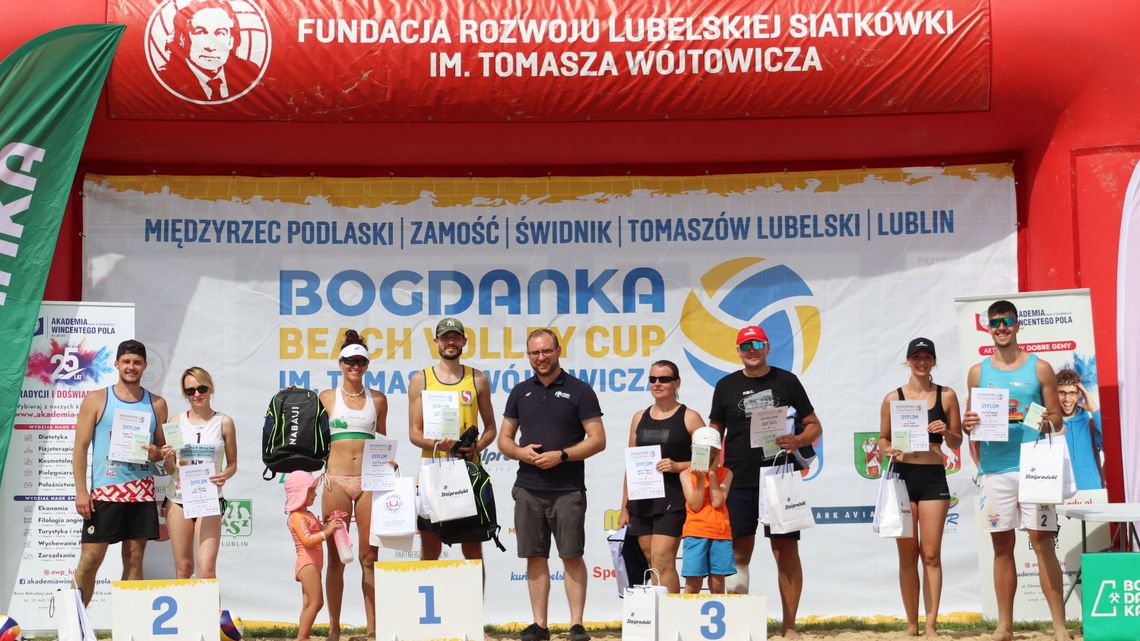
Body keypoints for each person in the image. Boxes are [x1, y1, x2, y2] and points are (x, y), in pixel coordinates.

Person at [963, 300, 1070, 641]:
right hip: (995, 469)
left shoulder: (1040, 369)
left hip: (1034, 466)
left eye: (1007, 321)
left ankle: (1058, 626)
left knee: (1042, 543)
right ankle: (1004, 626)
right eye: (995, 323)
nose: (1001, 327)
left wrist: (1042, 418)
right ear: (988, 328)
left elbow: (1057, 417)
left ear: (1018, 324)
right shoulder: (978, 372)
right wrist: (969, 423)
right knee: (1001, 546)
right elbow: (970, 422)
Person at [709, 325, 821, 638]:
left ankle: (789, 626)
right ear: (738, 350)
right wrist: (708, 470)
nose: (752, 350)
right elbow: (714, 432)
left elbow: (814, 425)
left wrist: (797, 440)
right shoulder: (726, 385)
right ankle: (737, 623)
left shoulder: (787, 381)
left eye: (757, 343)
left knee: (785, 553)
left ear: (768, 346)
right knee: (738, 554)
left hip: (779, 477)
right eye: (745, 345)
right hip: (739, 479)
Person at [498, 328, 606, 641]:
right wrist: (519, 452)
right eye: (534, 353)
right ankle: (540, 625)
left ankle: (576, 625)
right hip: (528, 487)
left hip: (568, 489)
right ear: (528, 355)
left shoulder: (580, 390)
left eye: (546, 351)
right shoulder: (520, 391)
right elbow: (505, 439)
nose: (541, 358)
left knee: (571, 555)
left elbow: (598, 440)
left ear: (558, 350)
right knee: (535, 556)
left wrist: (563, 455)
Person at [71, 340, 168, 605]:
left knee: (135, 560)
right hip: (105, 493)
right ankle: (74, 628)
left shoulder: (157, 404)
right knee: (90, 561)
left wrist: (155, 453)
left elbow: (163, 449)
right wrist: (81, 492)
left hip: (141, 493)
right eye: (126, 361)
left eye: (137, 362)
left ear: (144, 366)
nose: (131, 367)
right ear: (116, 364)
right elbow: (79, 448)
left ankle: (129, 630)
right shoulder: (96, 399)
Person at [877, 338, 962, 638]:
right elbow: (883, 438)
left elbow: (957, 441)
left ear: (934, 361)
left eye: (927, 357)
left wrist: (947, 431)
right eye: (916, 357)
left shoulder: (947, 395)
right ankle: (911, 624)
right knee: (907, 555)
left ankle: (931, 624)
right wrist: (886, 450)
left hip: (933, 477)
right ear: (908, 361)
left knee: (931, 555)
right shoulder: (893, 398)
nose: (922, 362)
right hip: (902, 476)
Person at [319, 330, 389, 641]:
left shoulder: (379, 399)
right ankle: (334, 628)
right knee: (336, 558)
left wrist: (389, 460)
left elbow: (383, 439)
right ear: (341, 363)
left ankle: (373, 629)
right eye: (350, 361)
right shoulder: (326, 397)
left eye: (360, 361)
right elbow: (313, 439)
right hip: (336, 482)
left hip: (369, 483)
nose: (355, 366)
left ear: (367, 364)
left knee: (369, 558)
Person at [408, 318, 497, 561]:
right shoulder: (421, 379)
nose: (451, 342)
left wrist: (476, 447)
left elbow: (491, 428)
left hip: (467, 469)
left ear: (464, 342)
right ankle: (431, 600)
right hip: (432, 469)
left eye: (456, 337)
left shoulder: (477, 378)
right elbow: (414, 434)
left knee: (472, 550)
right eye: (445, 337)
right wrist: (436, 444)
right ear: (436, 341)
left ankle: (474, 601)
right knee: (430, 549)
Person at [618, 360, 703, 593]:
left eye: (664, 379)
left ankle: (671, 618)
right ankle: (659, 616)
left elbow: (709, 460)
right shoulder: (639, 417)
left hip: (674, 498)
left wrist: (678, 466)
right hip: (642, 499)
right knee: (650, 561)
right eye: (653, 379)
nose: (657, 383)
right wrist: (624, 506)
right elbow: (631, 464)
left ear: (676, 382)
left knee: (663, 559)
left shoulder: (690, 417)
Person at [159, 366, 237, 579]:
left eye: (201, 388)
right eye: (190, 391)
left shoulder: (224, 422)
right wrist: (167, 459)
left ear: (210, 388)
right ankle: (186, 614)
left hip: (208, 499)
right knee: (183, 569)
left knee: (206, 569)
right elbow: (171, 469)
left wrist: (225, 475)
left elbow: (232, 464)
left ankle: (210, 613)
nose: (196, 395)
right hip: (178, 499)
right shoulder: (175, 422)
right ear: (185, 394)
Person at [158, 0, 261, 101]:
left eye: (220, 33)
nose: (210, 47)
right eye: (200, 32)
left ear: (231, 41)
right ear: (182, 38)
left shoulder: (249, 74)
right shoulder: (164, 78)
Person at [285, 471, 344, 641]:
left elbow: (320, 530)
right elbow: (308, 541)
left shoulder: (307, 514)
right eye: (310, 491)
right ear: (299, 493)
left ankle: (303, 636)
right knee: (317, 602)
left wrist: (332, 522)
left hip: (313, 564)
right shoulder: (296, 516)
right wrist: (328, 531)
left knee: (309, 604)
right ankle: (302, 637)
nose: (315, 494)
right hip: (307, 563)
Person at [679, 426, 735, 594]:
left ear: (718, 451)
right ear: (693, 449)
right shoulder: (685, 474)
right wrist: (701, 479)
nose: (708, 454)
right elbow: (695, 505)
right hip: (695, 532)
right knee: (693, 580)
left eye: (713, 451)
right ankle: (686, 617)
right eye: (703, 450)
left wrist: (711, 473)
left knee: (718, 581)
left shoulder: (726, 473)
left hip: (720, 533)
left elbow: (718, 502)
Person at [1056, 368, 1104, 490]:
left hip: (1092, 494)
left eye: (1072, 393)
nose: (1067, 399)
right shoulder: (1047, 424)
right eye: (1062, 392)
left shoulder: (1091, 423)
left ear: (1079, 394)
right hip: (1058, 496)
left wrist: (1095, 410)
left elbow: (1113, 446)